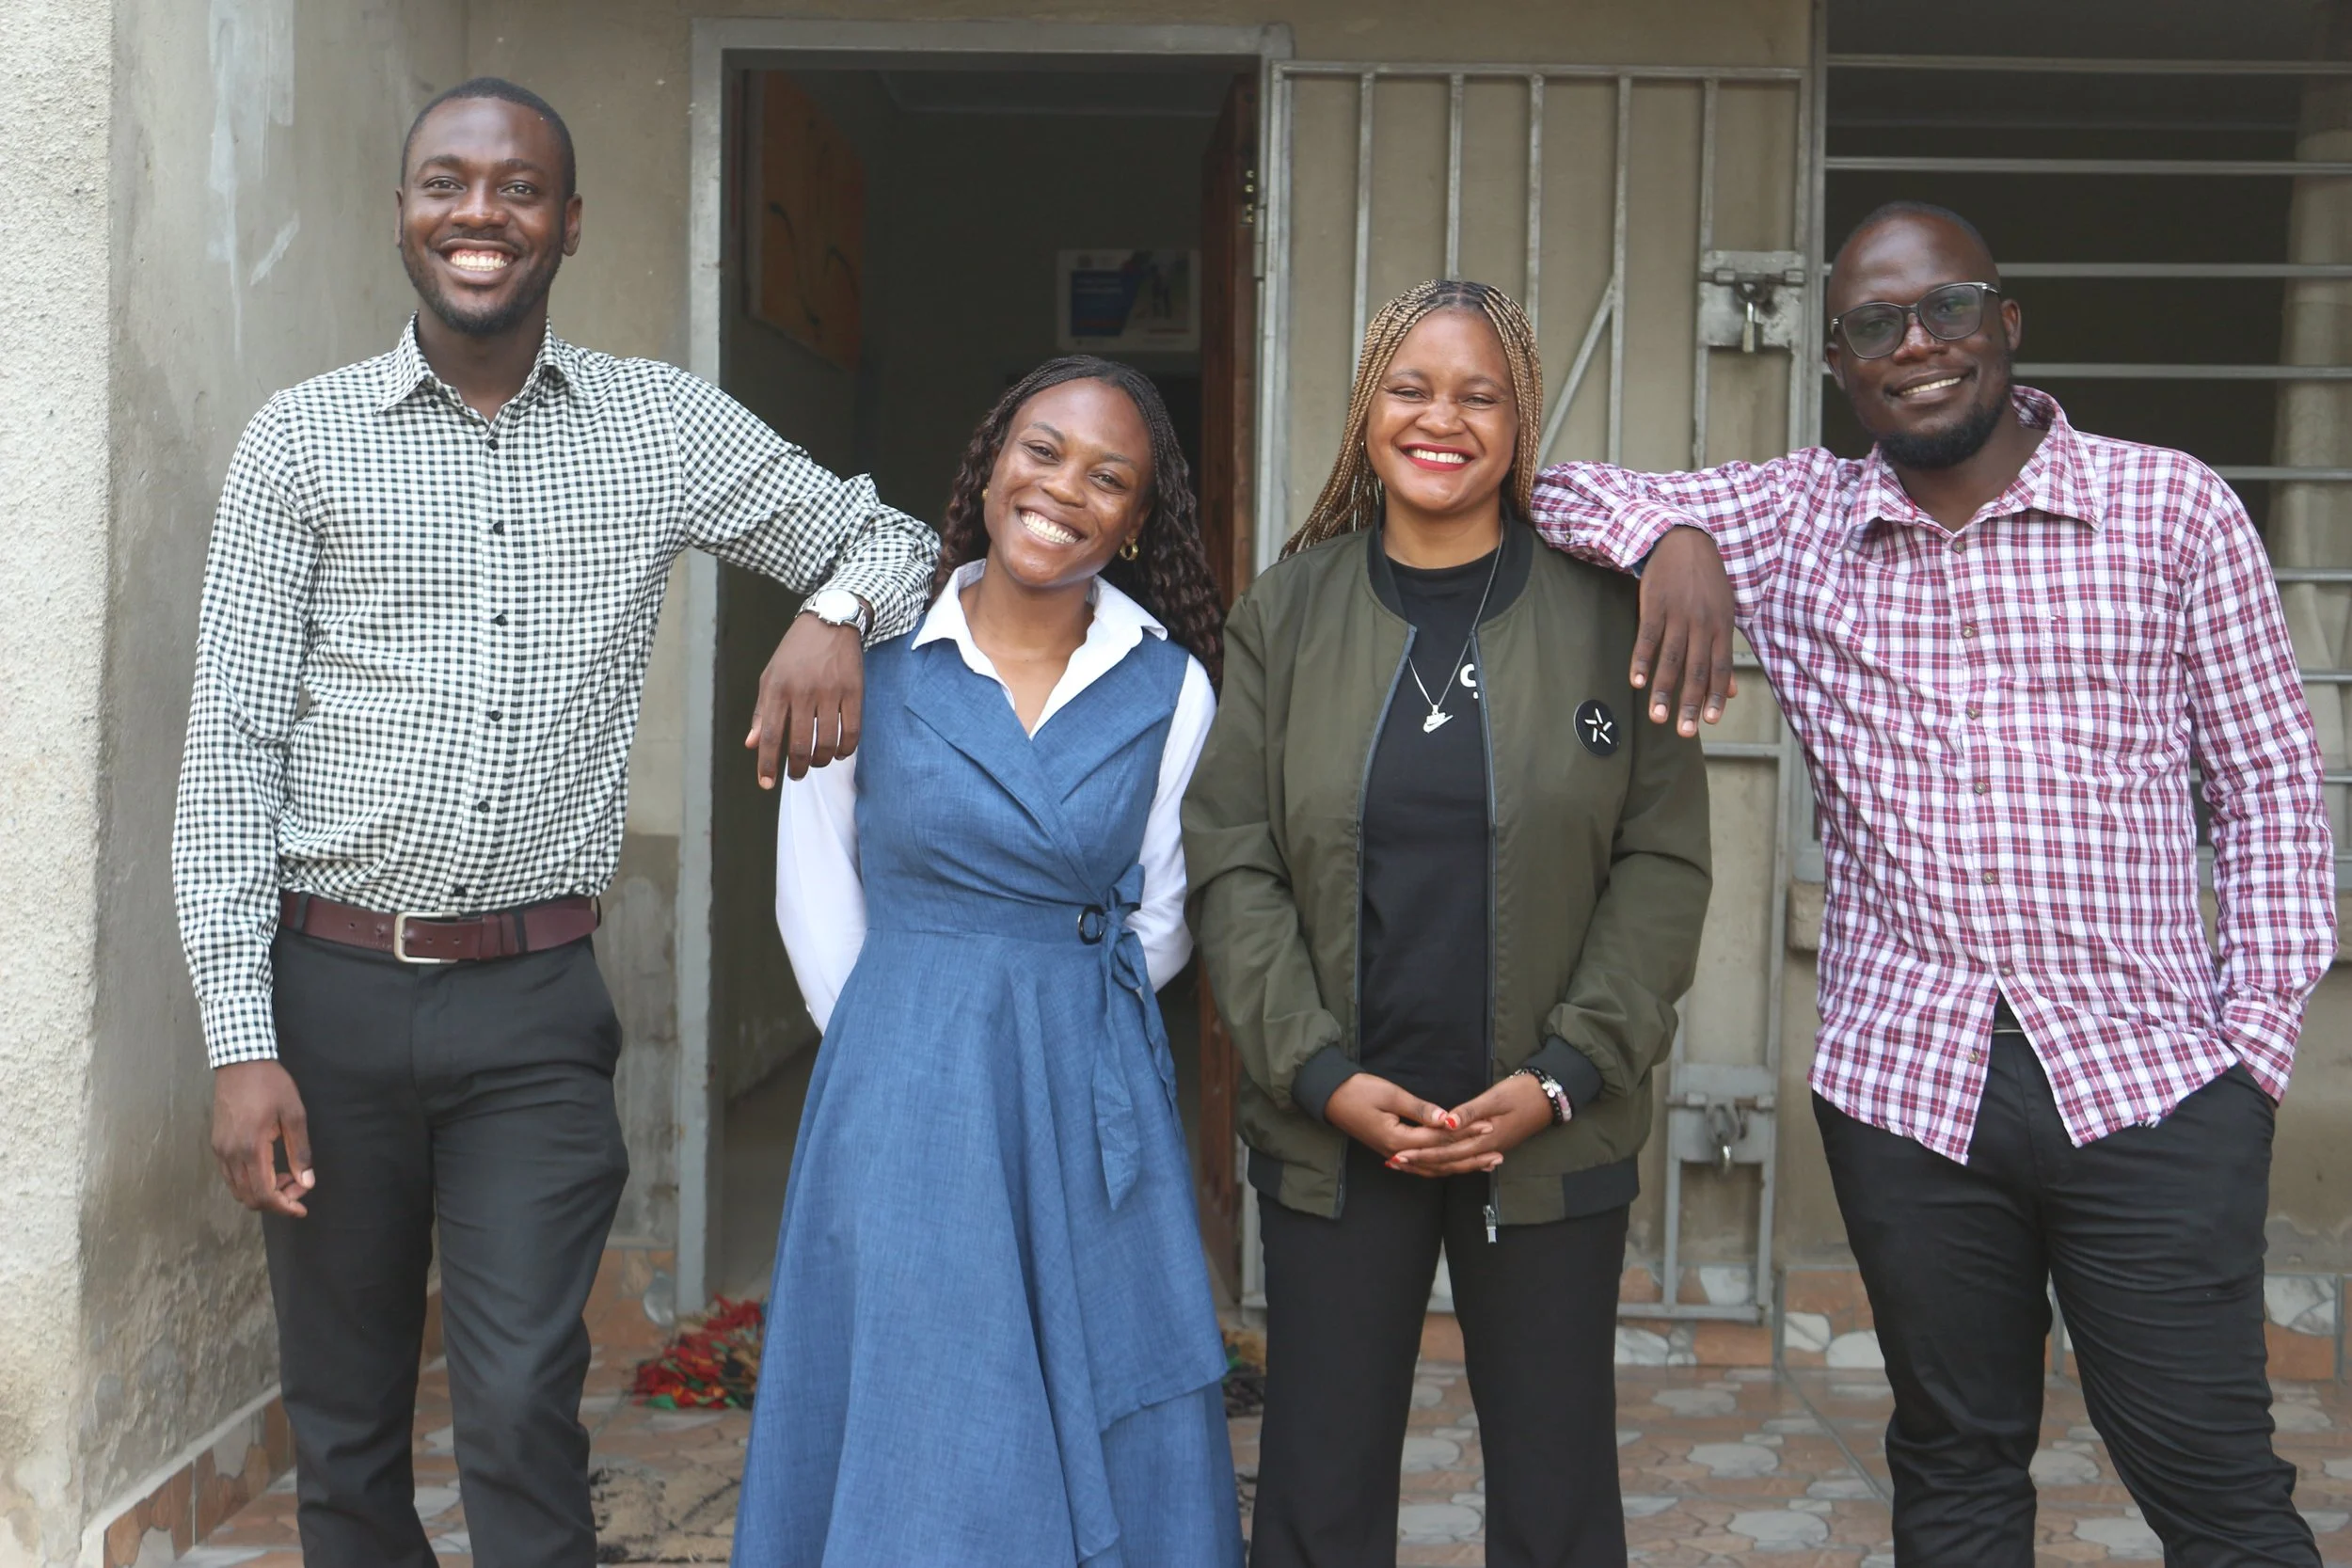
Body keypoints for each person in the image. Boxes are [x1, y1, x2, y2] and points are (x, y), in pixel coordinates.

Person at [170, 78, 936, 1568]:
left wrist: (829, 614)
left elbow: (888, 533)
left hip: (533, 1007)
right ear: (402, 212)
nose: (479, 215)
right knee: (344, 1423)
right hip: (327, 994)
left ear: (567, 224)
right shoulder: (301, 444)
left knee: (523, 1400)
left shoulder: (652, 423)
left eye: (517, 189)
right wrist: (238, 1034)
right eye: (445, 184)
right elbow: (230, 753)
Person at [1533, 200, 2336, 1565]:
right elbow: (1561, 489)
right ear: (1841, 368)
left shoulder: (2171, 507)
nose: (1916, 343)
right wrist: (1674, 543)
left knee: (2212, 1483)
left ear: (2005, 323)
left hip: (2150, 1081)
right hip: (1911, 1089)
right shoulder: (1798, 520)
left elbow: (2272, 794)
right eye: (1872, 327)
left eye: (1946, 307)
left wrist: (2249, 1061)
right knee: (1956, 1471)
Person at [1184, 279, 1712, 1568]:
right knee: (1315, 1491)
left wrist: (1563, 1072)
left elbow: (1663, 864)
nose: (1443, 417)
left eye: (1480, 393)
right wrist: (1319, 1074)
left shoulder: (1607, 610)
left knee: (1555, 1489)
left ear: (1520, 421)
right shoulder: (1287, 611)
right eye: (1411, 387)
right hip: (1336, 1132)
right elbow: (1231, 857)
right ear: (1368, 412)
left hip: (1544, 1132)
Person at [735, 356, 1241, 1566]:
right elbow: (815, 886)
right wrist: (902, 1033)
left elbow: (1163, 911)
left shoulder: (1169, 684)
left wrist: (1057, 1001)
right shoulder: (874, 649)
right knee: (923, 1383)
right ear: (992, 461)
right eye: (1043, 450)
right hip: (899, 1067)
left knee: (1111, 1363)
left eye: (1108, 478)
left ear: (1135, 521)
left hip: (1081, 1069)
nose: (1064, 488)